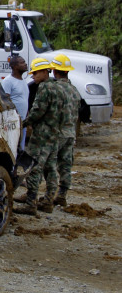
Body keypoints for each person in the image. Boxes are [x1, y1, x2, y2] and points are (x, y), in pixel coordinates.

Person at [15, 57, 66, 216]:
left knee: (34, 168)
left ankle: (31, 203)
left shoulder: (44, 88)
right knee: (50, 168)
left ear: (45, 71)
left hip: (42, 135)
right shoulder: (59, 87)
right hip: (54, 134)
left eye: (36, 73)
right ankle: (48, 201)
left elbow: (37, 111)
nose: (33, 76)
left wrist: (24, 123)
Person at [47, 53, 82, 208]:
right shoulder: (74, 90)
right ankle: (62, 195)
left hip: (57, 132)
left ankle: (48, 196)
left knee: (49, 164)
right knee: (66, 164)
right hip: (70, 133)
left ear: (55, 71)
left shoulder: (54, 89)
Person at [1, 55, 29, 151]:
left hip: (23, 121)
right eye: (22, 62)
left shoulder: (23, 81)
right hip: (13, 122)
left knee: (20, 148)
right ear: (14, 66)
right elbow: (5, 101)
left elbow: (24, 99)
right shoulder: (8, 81)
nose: (25, 64)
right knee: (13, 148)